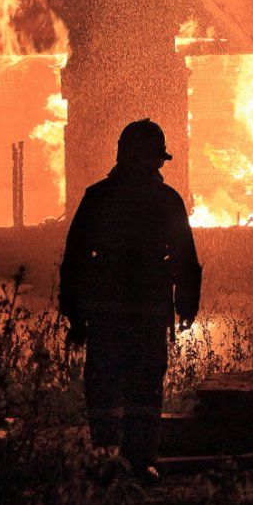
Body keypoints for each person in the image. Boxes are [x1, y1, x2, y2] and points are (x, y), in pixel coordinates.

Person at [59, 119, 202, 477]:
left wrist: (75, 315)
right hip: (149, 311)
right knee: (145, 386)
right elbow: (185, 258)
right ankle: (140, 462)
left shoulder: (98, 197)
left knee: (104, 386)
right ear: (154, 159)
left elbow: (75, 259)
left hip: (105, 312)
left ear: (122, 153)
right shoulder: (167, 200)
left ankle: (106, 459)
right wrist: (186, 305)